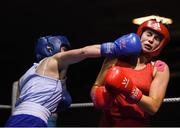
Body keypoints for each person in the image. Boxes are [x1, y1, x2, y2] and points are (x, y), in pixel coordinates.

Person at [5, 33, 142, 127]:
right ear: (51, 49)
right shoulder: (52, 60)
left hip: (16, 120)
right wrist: (114, 48)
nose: (66, 54)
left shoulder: (26, 76)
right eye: (64, 50)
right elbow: (84, 52)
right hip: (31, 121)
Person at [90, 19, 170, 127]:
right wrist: (99, 96)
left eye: (156, 38)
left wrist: (130, 89)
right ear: (140, 35)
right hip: (107, 124)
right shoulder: (115, 58)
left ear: (160, 44)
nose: (151, 40)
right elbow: (96, 86)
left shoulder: (159, 68)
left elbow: (153, 107)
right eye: (149, 34)